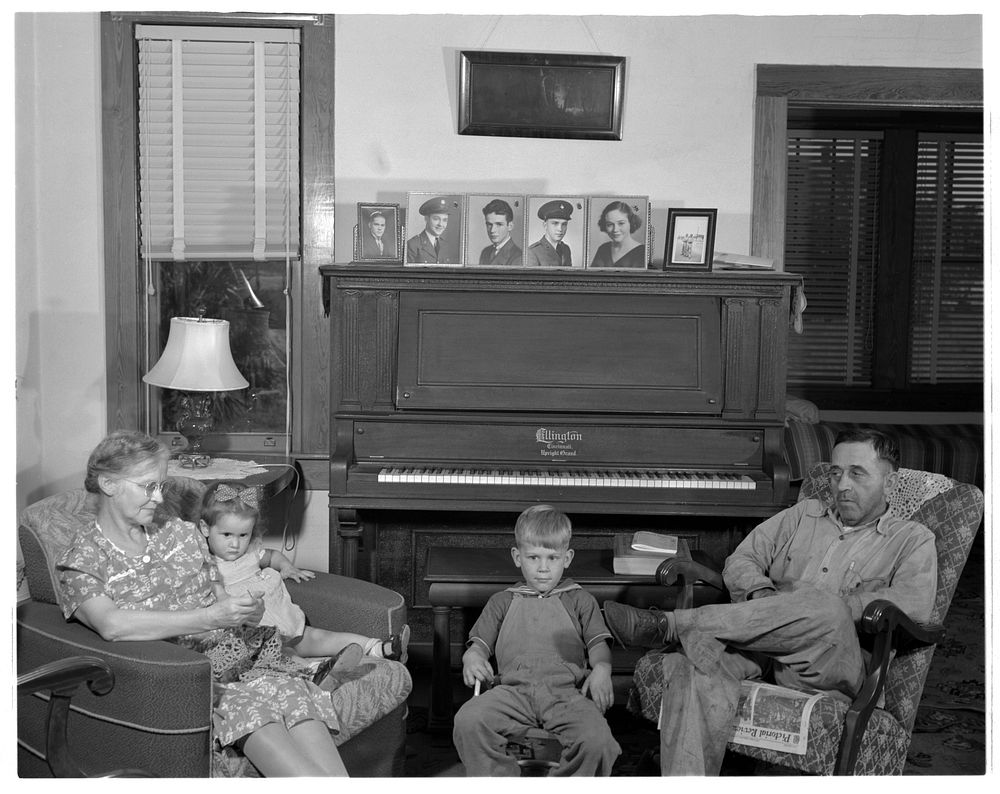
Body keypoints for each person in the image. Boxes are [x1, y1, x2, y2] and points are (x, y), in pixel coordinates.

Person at [56, 430, 412, 777]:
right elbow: (112, 625)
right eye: (148, 486)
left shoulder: (177, 532)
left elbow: (219, 594)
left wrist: (243, 611)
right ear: (108, 484)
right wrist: (210, 617)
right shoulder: (83, 558)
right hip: (183, 676)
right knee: (256, 711)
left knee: (295, 696)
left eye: (162, 486)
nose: (159, 498)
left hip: (238, 655)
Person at [602, 428, 937, 775]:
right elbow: (742, 560)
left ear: (891, 484)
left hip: (830, 661)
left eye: (857, 473)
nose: (841, 485)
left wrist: (827, 606)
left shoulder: (910, 540)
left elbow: (914, 604)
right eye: (836, 473)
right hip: (757, 647)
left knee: (826, 605)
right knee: (696, 665)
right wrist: (765, 601)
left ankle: (670, 625)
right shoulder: (802, 515)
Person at [452, 504, 621, 776]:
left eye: (552, 558)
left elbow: (598, 646)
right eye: (533, 558)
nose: (543, 569)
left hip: (565, 692)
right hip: (511, 691)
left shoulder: (579, 600)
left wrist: (602, 669)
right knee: (468, 721)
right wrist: (472, 657)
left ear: (567, 558)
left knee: (598, 740)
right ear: (517, 557)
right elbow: (479, 646)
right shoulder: (502, 601)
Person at [199, 480, 410, 673]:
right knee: (285, 655)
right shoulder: (205, 565)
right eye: (227, 535)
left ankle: (381, 648)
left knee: (322, 636)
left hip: (286, 621)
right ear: (205, 528)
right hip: (257, 637)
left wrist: (287, 567)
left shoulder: (251, 553)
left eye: (243, 535)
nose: (235, 544)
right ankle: (317, 671)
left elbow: (272, 556)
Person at [589, 200, 646, 268]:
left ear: (631, 223)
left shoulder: (642, 252)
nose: (615, 230)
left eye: (621, 223)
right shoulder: (603, 249)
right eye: (610, 224)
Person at [524, 200, 574, 267]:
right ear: (545, 225)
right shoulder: (533, 252)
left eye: (564, 224)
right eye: (555, 223)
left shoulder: (566, 249)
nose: (560, 229)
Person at [406, 196, 455, 264]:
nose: (440, 224)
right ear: (426, 219)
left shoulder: (446, 245)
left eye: (445, 220)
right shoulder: (413, 244)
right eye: (436, 219)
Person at [477, 198, 522, 266]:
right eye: (489, 224)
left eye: (499, 224)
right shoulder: (485, 252)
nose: (492, 230)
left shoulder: (518, 257)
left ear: (510, 226)